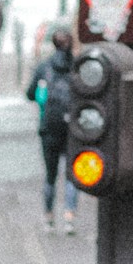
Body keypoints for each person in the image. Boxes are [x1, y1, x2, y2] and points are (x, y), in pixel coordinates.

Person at [33, 21, 80, 235]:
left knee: (50, 175)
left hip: (49, 127)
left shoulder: (44, 67)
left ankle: (49, 218)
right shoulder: (78, 67)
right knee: (72, 175)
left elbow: (30, 93)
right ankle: (69, 217)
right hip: (72, 127)